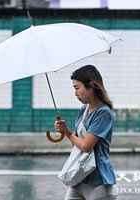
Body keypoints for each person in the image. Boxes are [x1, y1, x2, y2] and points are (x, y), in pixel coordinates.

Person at [55, 65, 118, 200]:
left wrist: (67, 132)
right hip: (79, 176)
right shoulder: (84, 109)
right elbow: (77, 144)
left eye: (77, 88)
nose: (75, 93)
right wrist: (65, 130)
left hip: (98, 182)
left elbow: (85, 145)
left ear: (91, 86)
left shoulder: (103, 113)